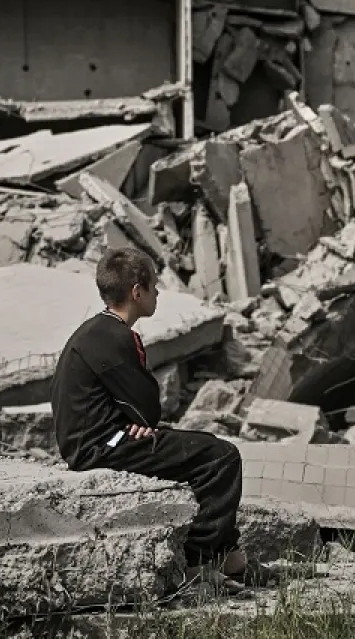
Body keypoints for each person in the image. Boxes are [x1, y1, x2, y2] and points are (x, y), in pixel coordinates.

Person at [50, 246, 248, 588]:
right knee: (221, 457)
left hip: (100, 437)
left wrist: (136, 421)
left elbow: (137, 412)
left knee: (204, 445)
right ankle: (197, 562)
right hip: (100, 445)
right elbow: (147, 409)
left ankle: (230, 557)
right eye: (154, 287)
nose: (158, 294)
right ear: (136, 292)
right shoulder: (117, 337)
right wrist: (135, 422)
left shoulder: (95, 330)